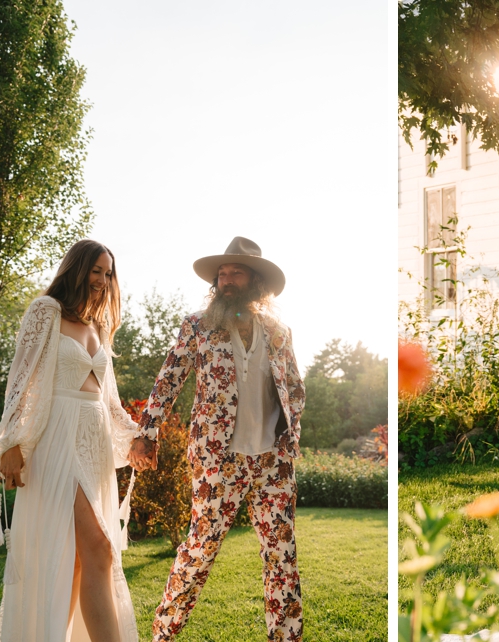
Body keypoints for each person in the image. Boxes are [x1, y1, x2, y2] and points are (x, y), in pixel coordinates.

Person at [132, 236, 307, 641]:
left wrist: (290, 433)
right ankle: (163, 635)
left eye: (236, 272)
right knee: (199, 551)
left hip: (272, 461)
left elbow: (295, 387)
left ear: (255, 280)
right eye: (221, 274)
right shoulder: (198, 325)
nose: (226, 279)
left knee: (282, 557)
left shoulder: (279, 331)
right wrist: (148, 431)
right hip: (218, 459)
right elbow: (170, 378)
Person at [0, 239, 151, 641]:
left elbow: (108, 401)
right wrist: (12, 443)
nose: (102, 280)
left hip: (94, 443)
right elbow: (20, 384)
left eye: (108, 273)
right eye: (96, 270)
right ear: (76, 269)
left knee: (81, 559)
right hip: (57, 437)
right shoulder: (46, 311)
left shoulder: (99, 325)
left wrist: (136, 438)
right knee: (99, 547)